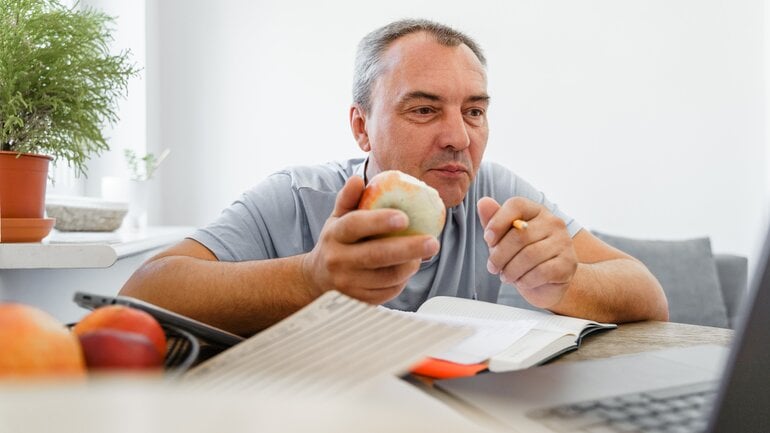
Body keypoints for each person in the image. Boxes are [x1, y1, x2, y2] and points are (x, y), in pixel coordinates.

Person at [120, 19, 668, 336]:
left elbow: (649, 296)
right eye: (425, 110)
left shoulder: (498, 198)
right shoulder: (296, 198)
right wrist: (311, 278)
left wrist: (569, 282)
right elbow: (141, 293)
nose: (459, 136)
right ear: (362, 127)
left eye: (474, 111)